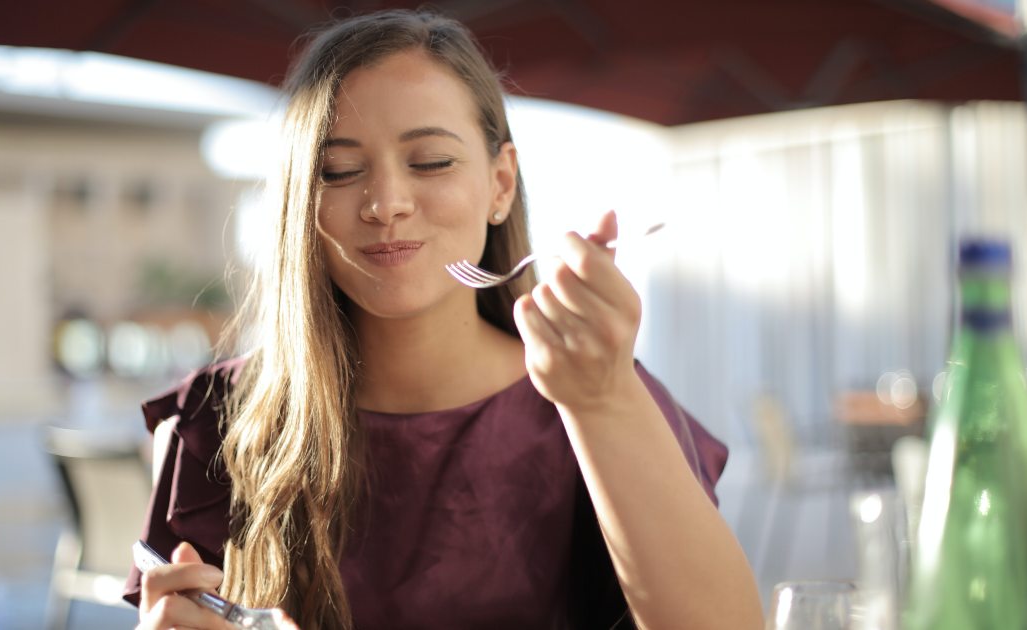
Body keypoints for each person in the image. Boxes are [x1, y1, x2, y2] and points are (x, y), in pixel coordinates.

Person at [124, 9, 763, 630]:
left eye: (430, 161)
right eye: (340, 171)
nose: (387, 204)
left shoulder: (596, 396)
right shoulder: (215, 421)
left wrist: (604, 401)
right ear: (301, 203)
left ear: (501, 184)